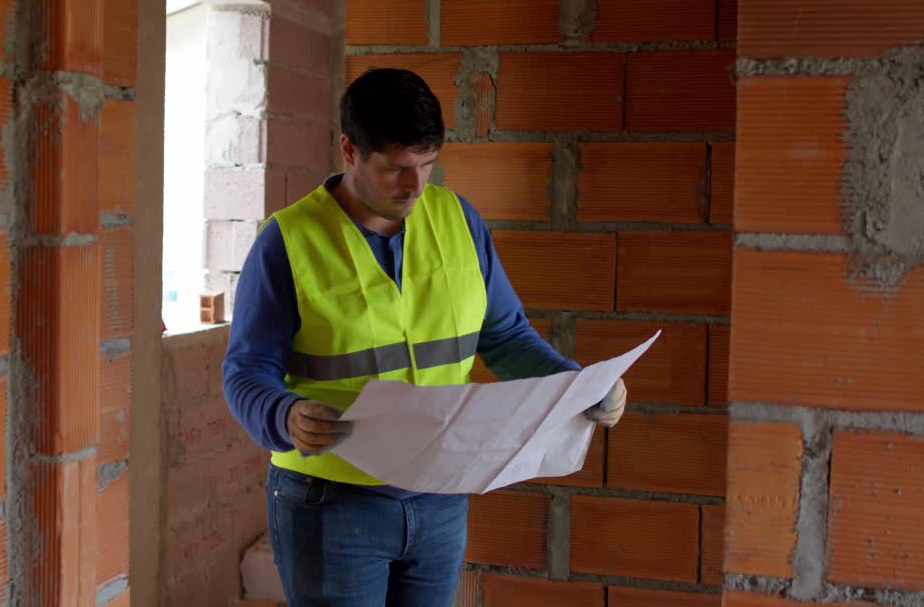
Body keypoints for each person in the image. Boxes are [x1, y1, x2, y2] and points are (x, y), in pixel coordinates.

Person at [222, 68, 627, 607]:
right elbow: (245, 372)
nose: (415, 185)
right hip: (331, 502)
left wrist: (578, 386)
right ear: (350, 150)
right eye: (396, 168)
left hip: (439, 495)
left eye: (427, 164)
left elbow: (505, 337)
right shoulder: (288, 241)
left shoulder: (458, 220)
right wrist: (284, 415)